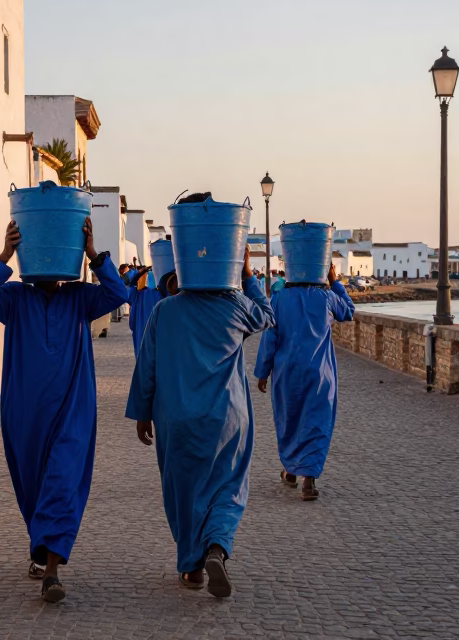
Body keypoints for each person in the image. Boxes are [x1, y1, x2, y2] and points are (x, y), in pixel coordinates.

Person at [0, 216, 128, 603]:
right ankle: (40, 547)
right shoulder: (14, 298)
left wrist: (93, 254)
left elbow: (119, 292)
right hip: (25, 411)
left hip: (73, 409)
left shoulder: (81, 298)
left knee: (61, 478)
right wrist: (6, 253)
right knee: (33, 483)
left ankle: (52, 571)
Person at [125, 201, 275, 599]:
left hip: (176, 420)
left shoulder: (164, 311)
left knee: (183, 490)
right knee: (228, 484)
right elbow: (267, 315)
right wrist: (247, 276)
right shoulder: (236, 308)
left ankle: (191, 568)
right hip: (228, 417)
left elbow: (148, 367)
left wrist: (142, 414)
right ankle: (217, 546)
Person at [254, 262, 354, 501]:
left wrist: (262, 371)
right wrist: (335, 282)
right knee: (316, 421)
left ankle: (291, 469)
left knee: (290, 420)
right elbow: (348, 311)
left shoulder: (279, 299)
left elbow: (270, 338)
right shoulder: (327, 297)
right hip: (320, 373)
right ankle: (306, 478)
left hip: (287, 373)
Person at [126, 264, 179, 356]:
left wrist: (140, 273)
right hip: (160, 341)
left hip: (141, 340)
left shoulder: (137, 296)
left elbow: (131, 284)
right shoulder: (163, 296)